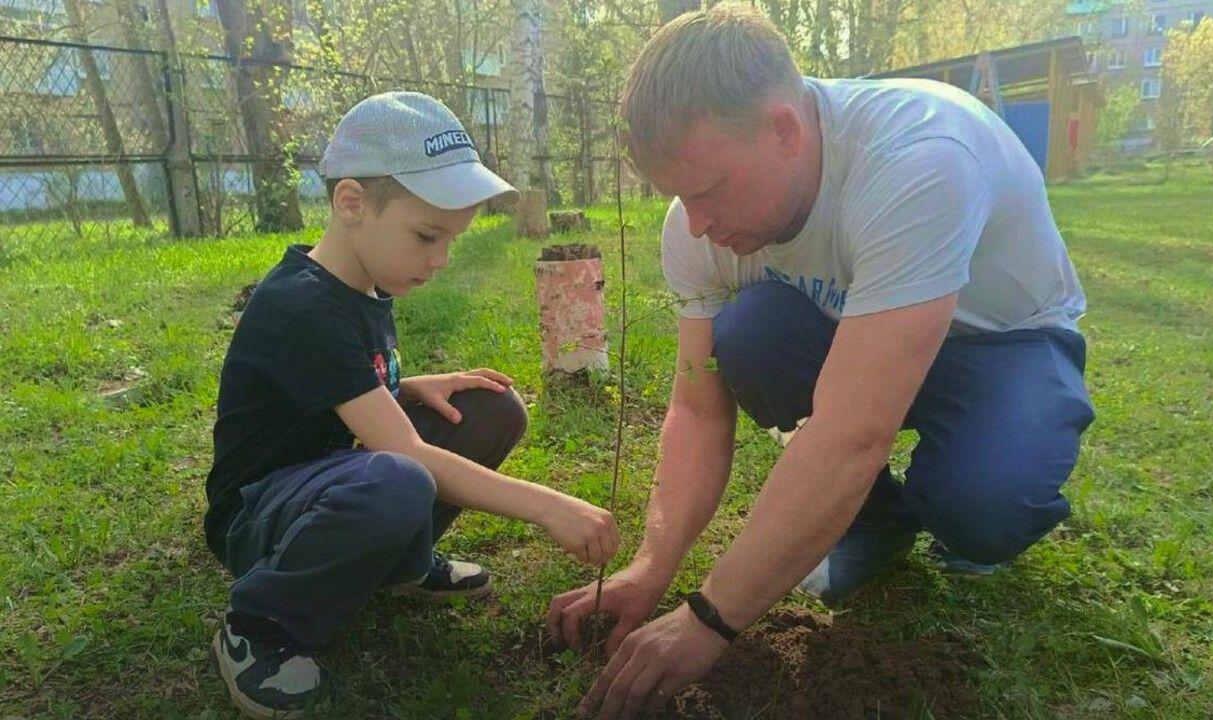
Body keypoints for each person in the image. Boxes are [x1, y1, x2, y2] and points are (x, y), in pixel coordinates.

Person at [547, 6, 1095, 719]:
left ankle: (959, 496)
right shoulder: (699, 223)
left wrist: (708, 620)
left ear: (784, 129)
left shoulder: (919, 157)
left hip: (999, 343)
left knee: (983, 507)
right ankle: (871, 519)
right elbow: (697, 407)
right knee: (742, 337)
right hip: (855, 335)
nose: (697, 223)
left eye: (709, 191)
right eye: (678, 197)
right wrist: (653, 566)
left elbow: (850, 434)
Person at [203, 91, 620, 720]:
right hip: (258, 516)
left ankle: (398, 562)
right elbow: (399, 450)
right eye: (427, 236)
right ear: (352, 203)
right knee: (399, 477)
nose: (440, 260)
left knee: (492, 408)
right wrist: (550, 507)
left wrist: (405, 387)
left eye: (450, 240)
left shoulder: (358, 281)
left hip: (328, 477)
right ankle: (261, 623)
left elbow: (329, 392)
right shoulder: (302, 305)